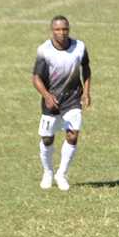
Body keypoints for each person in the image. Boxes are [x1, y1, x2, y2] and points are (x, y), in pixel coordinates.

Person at [32, 15, 92, 191]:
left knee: (73, 135)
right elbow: (36, 78)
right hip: (52, 101)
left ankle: (61, 173)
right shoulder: (44, 50)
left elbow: (86, 68)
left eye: (65, 29)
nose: (62, 33)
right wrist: (47, 96)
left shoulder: (79, 47)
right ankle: (48, 172)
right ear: (52, 31)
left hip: (73, 98)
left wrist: (86, 92)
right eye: (58, 29)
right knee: (47, 138)